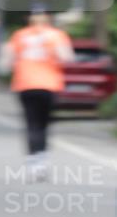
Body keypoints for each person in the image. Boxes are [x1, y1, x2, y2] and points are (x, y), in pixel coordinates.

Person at [6, 10, 74, 180]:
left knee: (31, 123)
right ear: (48, 20)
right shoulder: (56, 35)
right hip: (49, 84)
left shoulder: (20, 35)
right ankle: (42, 160)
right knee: (44, 124)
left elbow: (8, 61)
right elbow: (66, 57)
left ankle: (32, 161)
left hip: (25, 83)